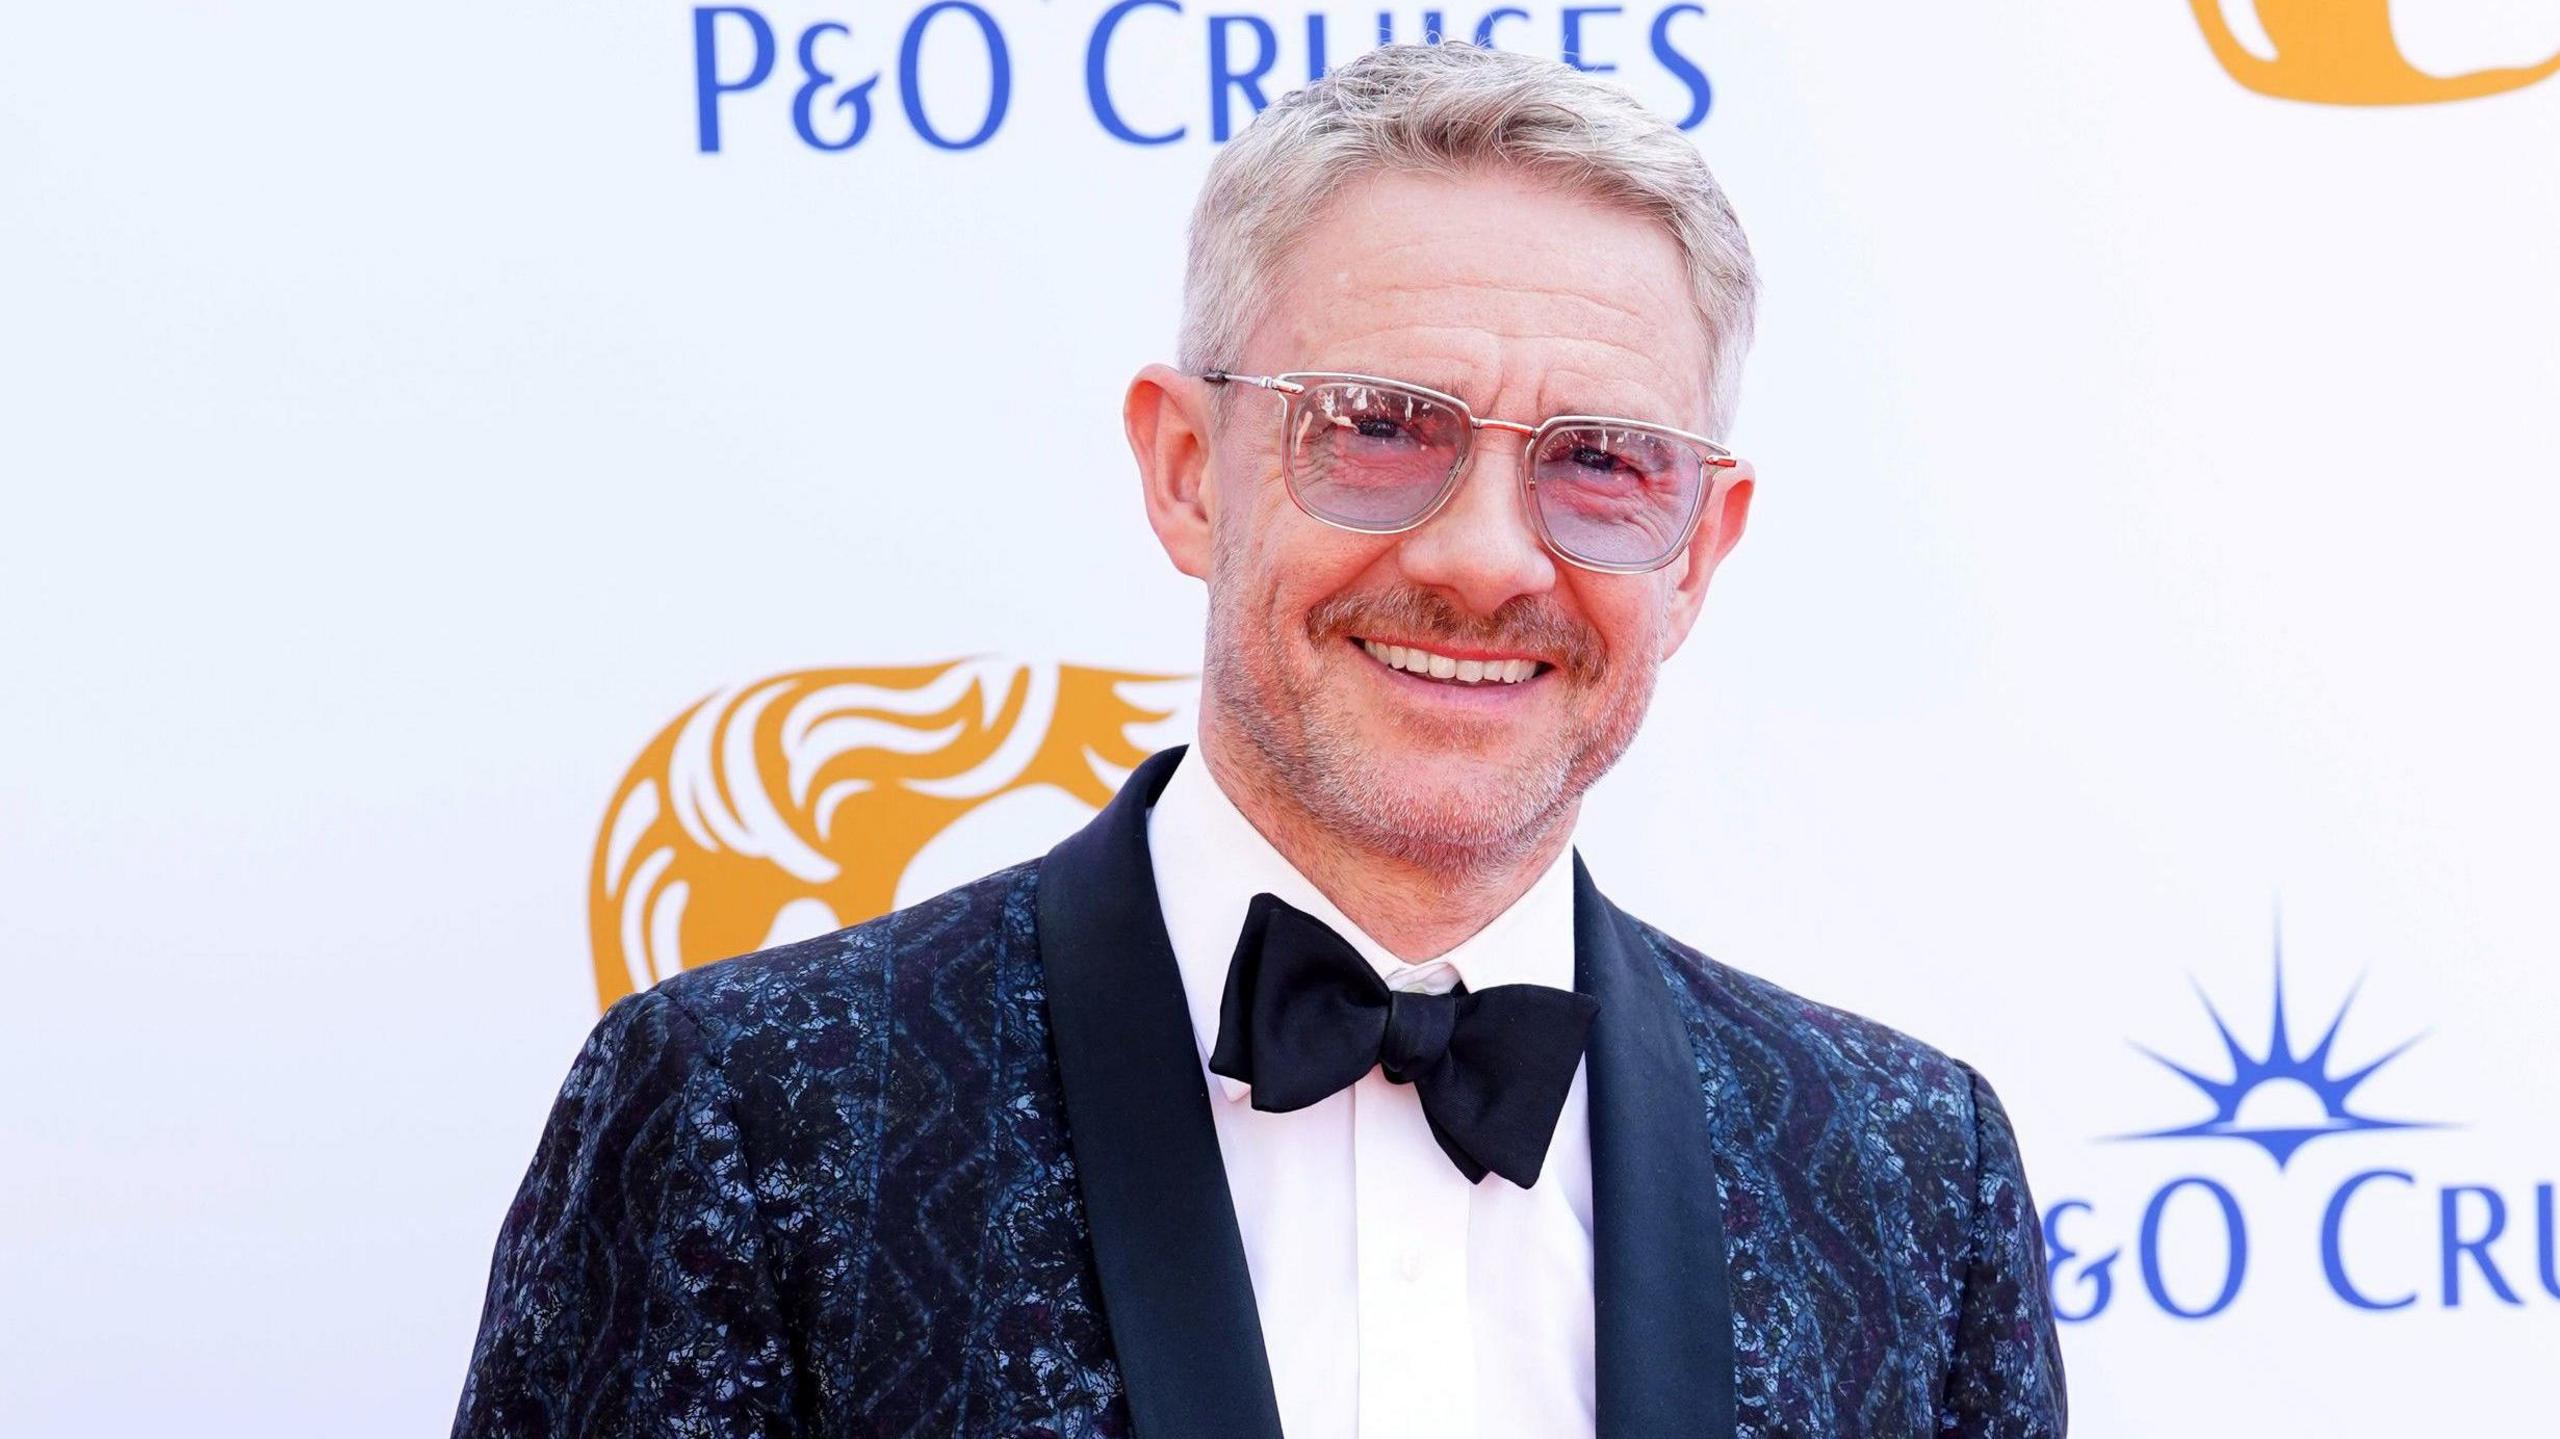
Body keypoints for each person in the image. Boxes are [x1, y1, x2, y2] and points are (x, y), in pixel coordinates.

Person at [452, 41, 2065, 1439]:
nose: (1486, 559)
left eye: (1604, 464)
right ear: (1185, 468)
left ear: (1702, 548)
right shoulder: (756, 1111)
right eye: (1377, 428)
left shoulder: (1908, 1174)